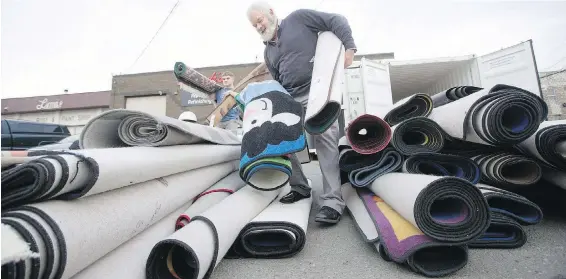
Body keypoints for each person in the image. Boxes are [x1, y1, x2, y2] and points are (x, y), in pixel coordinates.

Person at [246, 1, 357, 224]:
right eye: (254, 25)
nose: (259, 26)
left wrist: (350, 49)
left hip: (317, 89)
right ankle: (300, 187)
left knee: (326, 141)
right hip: (290, 98)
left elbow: (337, 21)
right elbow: (277, 81)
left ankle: (332, 202)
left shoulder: (299, 19)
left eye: (260, 20)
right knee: (283, 141)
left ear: (271, 13)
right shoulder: (268, 51)